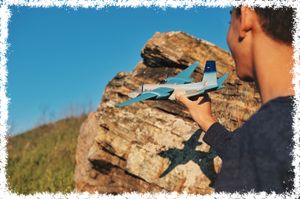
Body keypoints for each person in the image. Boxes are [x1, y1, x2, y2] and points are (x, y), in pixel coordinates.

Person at [175, 6, 295, 193]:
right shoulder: (274, 135)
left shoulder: (260, 139)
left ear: (246, 17)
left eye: (230, 21)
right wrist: (207, 121)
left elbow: (258, 158)